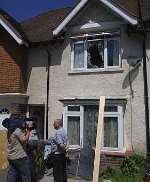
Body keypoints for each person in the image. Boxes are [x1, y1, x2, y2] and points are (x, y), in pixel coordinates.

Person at [3, 114, 32, 182]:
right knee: (26, 175)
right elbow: (24, 140)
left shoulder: (10, 130)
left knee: (12, 174)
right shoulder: (17, 130)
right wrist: (28, 131)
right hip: (19, 156)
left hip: (11, 156)